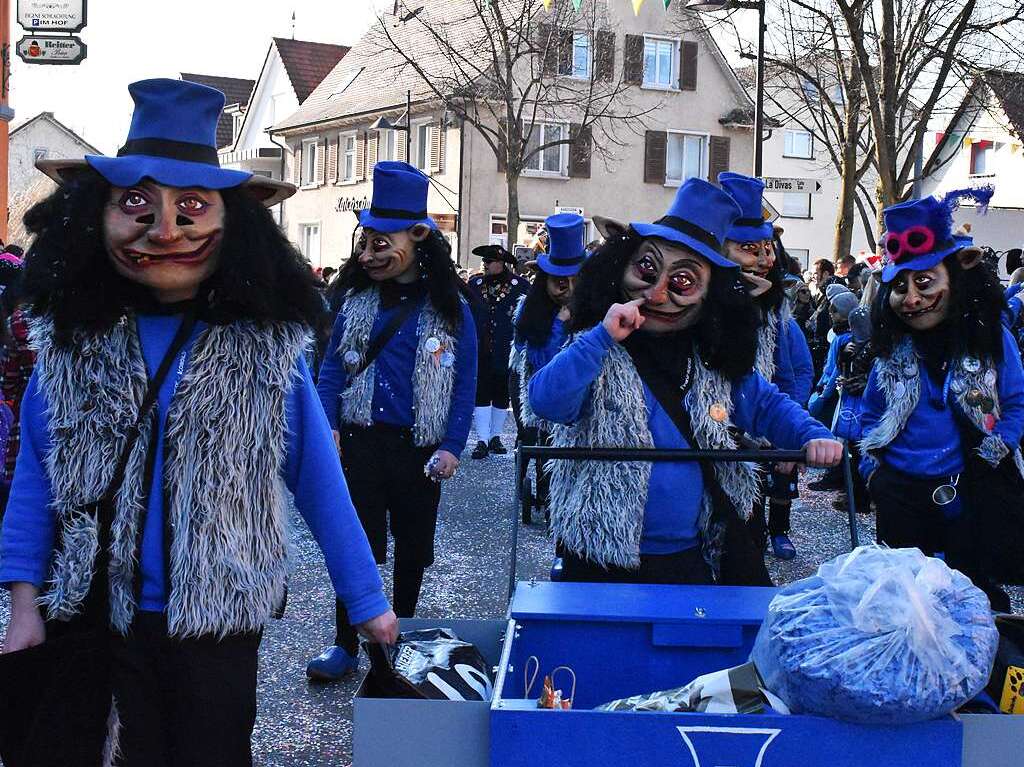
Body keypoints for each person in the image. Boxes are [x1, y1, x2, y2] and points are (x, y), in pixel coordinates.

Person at [0, 79, 397, 766]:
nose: (165, 230)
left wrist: (366, 599)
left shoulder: (264, 352)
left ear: (231, 224)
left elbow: (318, 481)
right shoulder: (73, 345)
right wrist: (25, 603)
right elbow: (37, 479)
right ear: (94, 215)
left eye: (191, 207)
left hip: (218, 625)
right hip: (95, 614)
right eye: (137, 204)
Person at [528, 178, 843, 586]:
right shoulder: (594, 347)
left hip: (687, 554)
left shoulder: (714, 363)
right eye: (647, 268)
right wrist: (600, 338)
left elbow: (767, 405)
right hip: (595, 553)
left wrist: (812, 434)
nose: (657, 294)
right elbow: (545, 401)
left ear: (712, 296)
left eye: (681, 282)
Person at [309, 161, 477, 681]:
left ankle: (395, 646)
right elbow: (332, 368)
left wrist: (451, 445)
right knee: (352, 543)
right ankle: (344, 643)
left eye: (381, 243)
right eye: (365, 243)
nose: (368, 255)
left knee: (410, 550)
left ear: (418, 236)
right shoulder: (355, 299)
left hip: (418, 449)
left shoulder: (451, 307)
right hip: (359, 442)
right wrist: (326, 422)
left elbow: (465, 383)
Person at [860, 188, 1023, 612]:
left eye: (925, 281)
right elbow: (870, 415)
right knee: (903, 602)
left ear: (955, 276)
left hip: (968, 487)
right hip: (900, 494)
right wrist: (873, 472)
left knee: (971, 595)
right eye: (899, 286)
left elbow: (1017, 401)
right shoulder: (889, 352)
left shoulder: (991, 340)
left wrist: (998, 444)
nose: (911, 297)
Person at [718, 173, 814, 561]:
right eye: (748, 248)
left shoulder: (777, 315)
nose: (763, 259)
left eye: (767, 249)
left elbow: (794, 375)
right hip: (708, 435)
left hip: (756, 432)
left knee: (750, 524)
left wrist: (790, 430)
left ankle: (776, 533)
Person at [509, 212, 586, 519]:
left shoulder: (595, 309)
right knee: (541, 441)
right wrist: (559, 323)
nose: (566, 288)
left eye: (573, 281)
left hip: (580, 399)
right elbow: (539, 359)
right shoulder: (531, 310)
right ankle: (545, 491)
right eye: (558, 281)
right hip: (539, 391)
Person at [467, 244, 528, 458]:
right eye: (484, 261)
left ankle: (495, 436)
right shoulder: (475, 284)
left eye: (489, 261)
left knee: (502, 392)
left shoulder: (520, 286)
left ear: (501, 263)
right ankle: (482, 440)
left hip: (505, 347)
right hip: (481, 346)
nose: (484, 265)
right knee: (481, 391)